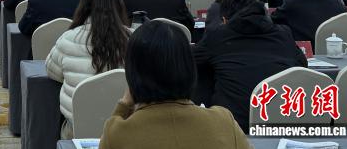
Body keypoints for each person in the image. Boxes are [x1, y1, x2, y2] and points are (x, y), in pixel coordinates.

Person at [99, 20, 251, 149]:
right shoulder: (223, 123)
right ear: (189, 68)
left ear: (133, 74)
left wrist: (124, 104)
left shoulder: (118, 134)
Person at [194, 0, 307, 130]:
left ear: (224, 20)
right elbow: (302, 65)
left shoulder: (217, 36)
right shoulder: (283, 34)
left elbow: (188, 61)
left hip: (232, 124)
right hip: (282, 120)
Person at [46, 0, 130, 138]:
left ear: (84, 5)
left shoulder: (68, 38)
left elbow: (52, 71)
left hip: (76, 128)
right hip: (122, 128)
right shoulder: (132, 39)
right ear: (118, 5)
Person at [271, 0, 347, 47]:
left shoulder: (291, 3)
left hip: (308, 49)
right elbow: (346, 15)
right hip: (336, 46)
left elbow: (273, 20)